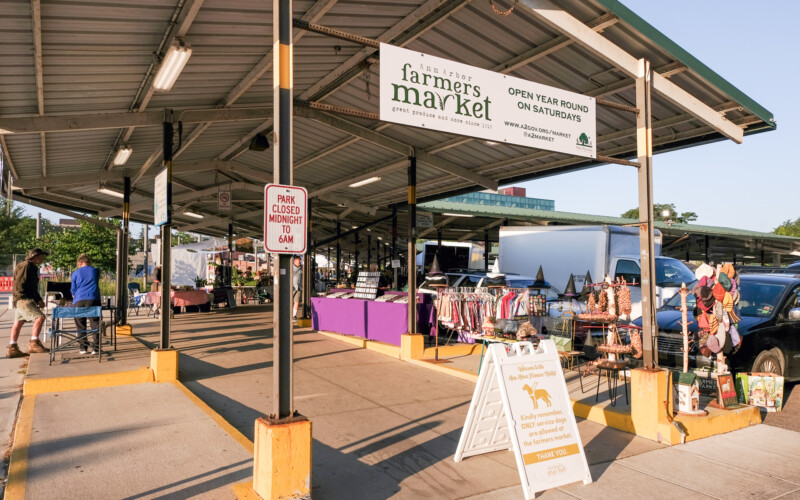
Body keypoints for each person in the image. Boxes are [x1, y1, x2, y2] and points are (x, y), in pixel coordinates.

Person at [8, 248, 50, 358]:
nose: (42, 258)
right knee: (40, 317)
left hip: (24, 298)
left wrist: (38, 299)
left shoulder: (32, 267)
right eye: (40, 256)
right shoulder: (25, 266)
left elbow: (32, 287)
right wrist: (22, 298)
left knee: (18, 322)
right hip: (23, 299)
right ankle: (34, 343)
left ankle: (12, 348)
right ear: (34, 256)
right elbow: (19, 283)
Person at [70, 253, 102, 354]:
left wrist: (75, 294)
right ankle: (96, 348)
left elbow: (73, 290)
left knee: (80, 324)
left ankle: (83, 348)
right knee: (95, 323)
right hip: (93, 299)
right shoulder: (96, 271)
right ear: (89, 262)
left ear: (79, 263)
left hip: (79, 300)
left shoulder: (75, 273)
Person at [292, 255, 302, 321]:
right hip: (292, 287)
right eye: (299, 260)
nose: (300, 261)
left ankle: (294, 315)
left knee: (297, 301)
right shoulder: (291, 267)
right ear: (295, 261)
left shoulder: (302, 268)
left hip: (298, 287)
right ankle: (288, 314)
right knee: (290, 302)